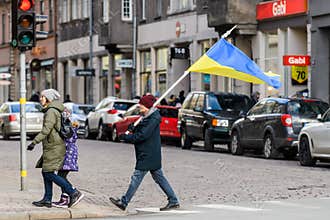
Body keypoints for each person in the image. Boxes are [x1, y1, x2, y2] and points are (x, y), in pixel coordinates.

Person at [109, 95, 180, 211]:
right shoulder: (147, 117)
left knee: (136, 177)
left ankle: (124, 202)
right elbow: (142, 130)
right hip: (149, 153)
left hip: (148, 154)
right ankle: (173, 200)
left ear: (147, 107)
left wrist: (127, 137)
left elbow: (143, 136)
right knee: (160, 178)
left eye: (141, 107)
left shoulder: (153, 118)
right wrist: (133, 128)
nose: (140, 109)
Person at [27, 89, 84, 208]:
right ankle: (47, 199)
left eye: (42, 97)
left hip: (54, 146)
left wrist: (34, 142)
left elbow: (46, 129)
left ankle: (73, 192)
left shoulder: (51, 111)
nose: (40, 99)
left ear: (48, 99)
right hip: (52, 146)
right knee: (46, 171)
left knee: (48, 173)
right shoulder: (53, 110)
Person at [52, 114, 80, 208]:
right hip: (69, 153)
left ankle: (73, 193)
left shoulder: (67, 128)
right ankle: (65, 198)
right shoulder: (72, 128)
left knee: (61, 176)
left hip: (66, 154)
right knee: (61, 176)